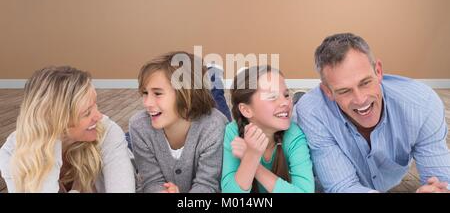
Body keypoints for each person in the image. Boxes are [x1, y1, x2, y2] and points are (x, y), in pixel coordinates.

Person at [294, 33, 450, 193]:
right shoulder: (313, 112)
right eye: (344, 91)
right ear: (328, 91)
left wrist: (437, 190)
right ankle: (297, 99)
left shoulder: (422, 104)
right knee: (293, 118)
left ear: (378, 71)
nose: (360, 99)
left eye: (365, 83)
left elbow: (441, 180)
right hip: (319, 178)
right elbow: (342, 186)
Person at [0, 66, 135, 192]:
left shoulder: (107, 131)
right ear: (55, 120)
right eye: (87, 112)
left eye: (95, 104)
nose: (98, 116)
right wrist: (51, 144)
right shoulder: (13, 154)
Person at [129, 52, 228, 193]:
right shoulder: (139, 125)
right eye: (145, 93)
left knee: (219, 105)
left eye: (157, 93)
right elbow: (151, 181)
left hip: (205, 116)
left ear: (186, 95)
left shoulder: (215, 126)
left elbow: (208, 184)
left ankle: (214, 76)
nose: (147, 103)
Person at [221, 65, 314, 193]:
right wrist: (252, 156)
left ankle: (300, 99)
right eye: (272, 97)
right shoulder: (233, 133)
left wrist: (253, 161)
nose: (286, 103)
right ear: (246, 110)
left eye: (286, 95)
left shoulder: (294, 134)